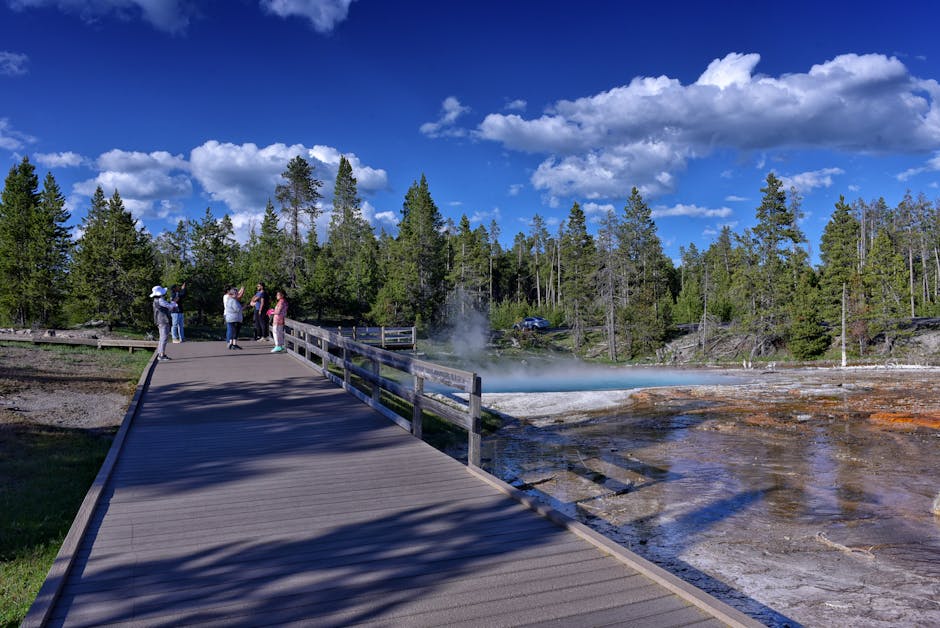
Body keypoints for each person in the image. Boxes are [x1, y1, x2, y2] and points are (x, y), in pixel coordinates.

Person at [150, 285, 177, 361]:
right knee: (164, 338)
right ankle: (161, 355)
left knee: (162, 337)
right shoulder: (160, 300)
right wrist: (174, 303)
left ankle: (160, 353)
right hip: (163, 320)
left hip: (159, 320)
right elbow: (169, 306)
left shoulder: (155, 300)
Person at [223, 286, 246, 350]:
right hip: (234, 319)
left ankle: (231, 343)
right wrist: (245, 306)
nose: (237, 295)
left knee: (232, 331)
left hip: (230, 318)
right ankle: (234, 344)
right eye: (235, 293)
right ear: (231, 294)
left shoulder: (229, 300)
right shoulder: (233, 301)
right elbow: (238, 309)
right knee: (235, 332)